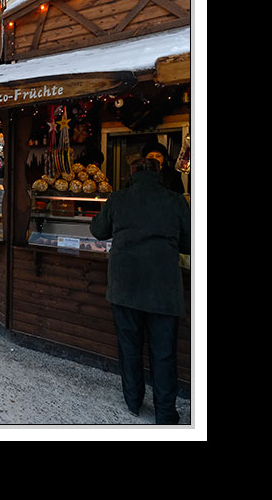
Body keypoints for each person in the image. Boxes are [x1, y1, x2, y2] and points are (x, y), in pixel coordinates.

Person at [90, 158, 190, 425]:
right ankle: (166, 413)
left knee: (129, 347)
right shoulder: (176, 201)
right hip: (163, 287)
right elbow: (190, 242)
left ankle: (133, 402)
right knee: (164, 351)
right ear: (159, 174)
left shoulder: (118, 199)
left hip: (125, 285)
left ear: (131, 174)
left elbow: (98, 231)